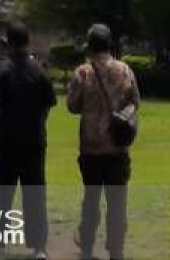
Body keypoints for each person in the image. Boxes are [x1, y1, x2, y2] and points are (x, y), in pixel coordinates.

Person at [0, 23, 56, 259]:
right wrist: (38, 124)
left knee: (4, 192)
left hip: (8, 141)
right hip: (34, 140)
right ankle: (39, 246)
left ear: (8, 42)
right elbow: (48, 105)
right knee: (35, 192)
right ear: (28, 41)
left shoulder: (1, 70)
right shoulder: (40, 70)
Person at [67, 23, 140, 260]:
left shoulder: (83, 73)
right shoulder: (125, 70)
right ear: (109, 44)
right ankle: (116, 250)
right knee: (117, 203)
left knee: (91, 200)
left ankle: (87, 246)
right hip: (118, 148)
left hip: (91, 148)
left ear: (90, 46)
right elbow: (135, 103)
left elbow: (72, 106)